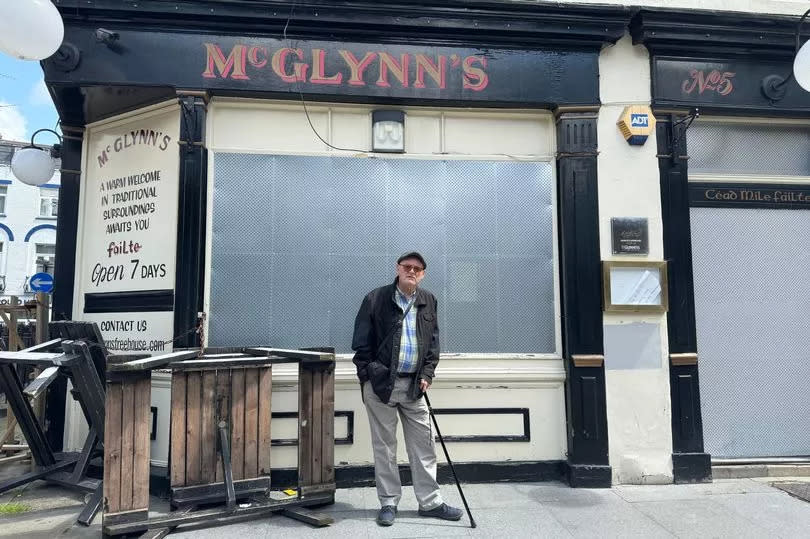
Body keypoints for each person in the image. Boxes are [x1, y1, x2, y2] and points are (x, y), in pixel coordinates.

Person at [351, 251, 463, 527]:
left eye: (417, 268)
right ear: (398, 269)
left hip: (414, 386)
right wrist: (368, 376)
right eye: (407, 266)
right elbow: (360, 343)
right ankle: (389, 502)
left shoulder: (428, 300)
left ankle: (430, 502)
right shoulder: (376, 298)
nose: (412, 271)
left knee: (424, 445)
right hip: (381, 386)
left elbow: (433, 345)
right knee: (384, 447)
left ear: (423, 274)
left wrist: (427, 373)